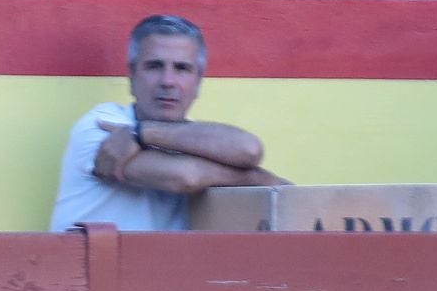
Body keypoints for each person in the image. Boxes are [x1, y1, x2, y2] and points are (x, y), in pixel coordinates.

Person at [49, 14, 283, 231]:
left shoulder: (178, 137)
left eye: (182, 69)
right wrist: (251, 179)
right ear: (132, 75)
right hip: (89, 273)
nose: (167, 81)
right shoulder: (99, 124)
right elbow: (185, 177)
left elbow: (250, 149)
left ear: (198, 82)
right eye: (154, 66)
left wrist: (142, 133)